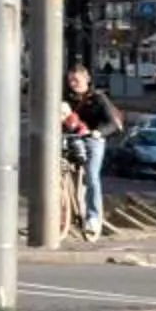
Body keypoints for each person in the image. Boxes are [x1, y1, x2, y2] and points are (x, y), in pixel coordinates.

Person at [62, 63, 124, 240]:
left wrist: (98, 133)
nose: (73, 83)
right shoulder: (66, 99)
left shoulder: (98, 98)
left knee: (91, 176)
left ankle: (93, 218)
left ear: (86, 79)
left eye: (77, 80)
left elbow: (113, 124)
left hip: (92, 140)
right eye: (71, 80)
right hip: (70, 139)